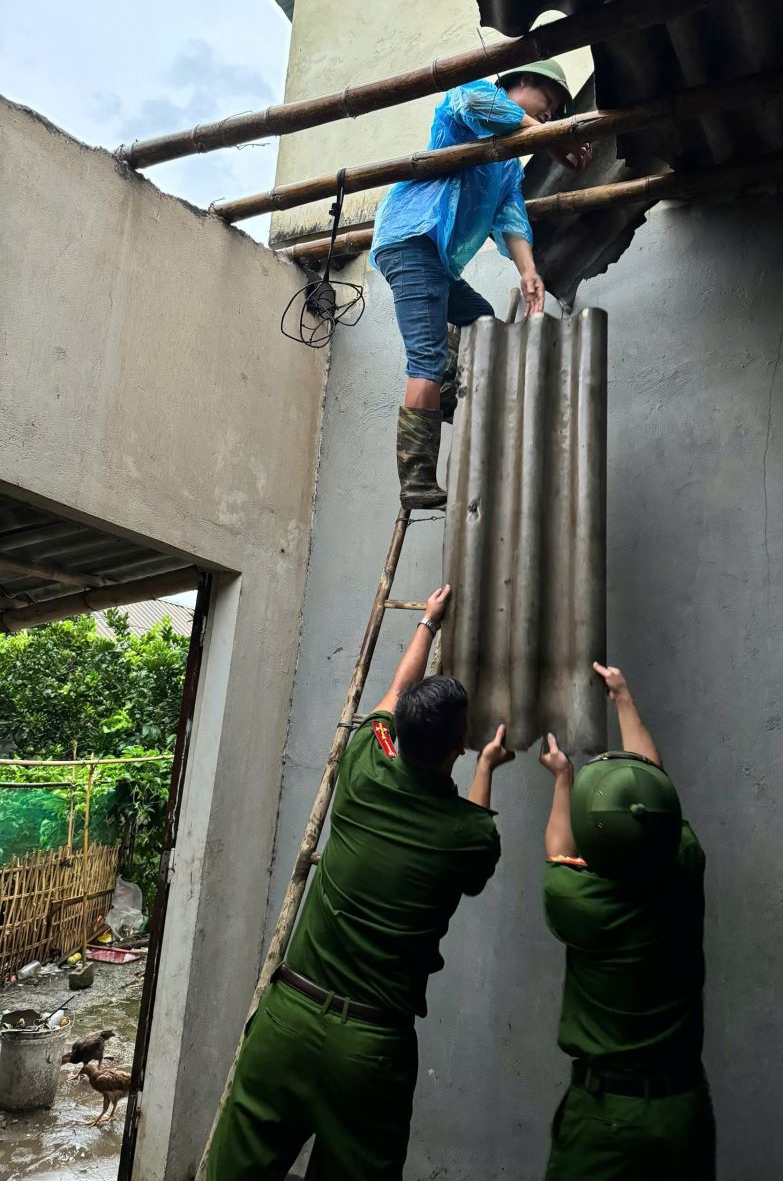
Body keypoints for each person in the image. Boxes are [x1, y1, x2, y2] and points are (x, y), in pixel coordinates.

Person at [206, 583, 516, 1180]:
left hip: (288, 1018)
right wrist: (486, 768)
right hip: (370, 1050)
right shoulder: (469, 837)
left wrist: (428, 622)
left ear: (397, 732)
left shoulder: (364, 763)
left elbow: (397, 689)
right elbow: (475, 833)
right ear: (460, 743)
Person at [371, 61, 591, 509]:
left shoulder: (506, 167)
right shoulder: (472, 107)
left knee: (481, 320)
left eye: (553, 113)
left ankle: (445, 392)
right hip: (412, 240)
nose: (549, 114)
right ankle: (416, 479)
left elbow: (510, 217)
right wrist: (546, 136)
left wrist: (528, 272)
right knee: (426, 359)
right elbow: (470, 100)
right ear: (523, 80)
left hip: (436, 261)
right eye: (549, 102)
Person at [537, 662, 715, 1181]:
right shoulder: (685, 865)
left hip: (603, 1117)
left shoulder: (577, 902)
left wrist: (563, 779)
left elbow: (558, 851)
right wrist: (622, 696)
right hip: (682, 1109)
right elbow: (654, 793)